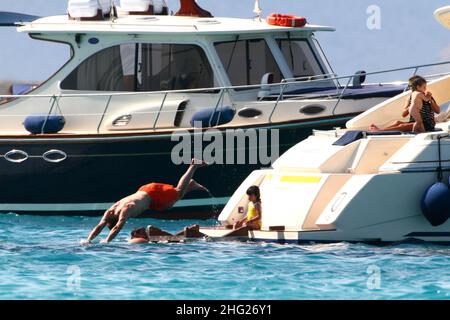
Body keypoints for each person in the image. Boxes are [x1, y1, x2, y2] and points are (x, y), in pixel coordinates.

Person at [83, 159, 209, 244]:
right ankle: (191, 185)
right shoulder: (111, 210)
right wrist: (88, 240)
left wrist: (106, 241)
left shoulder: (125, 210)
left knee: (179, 192)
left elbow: (117, 227)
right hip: (145, 192)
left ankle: (193, 166)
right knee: (167, 206)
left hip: (152, 193)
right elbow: (99, 226)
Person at [370, 75, 440, 133]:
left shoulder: (427, 96)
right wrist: (413, 105)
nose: (425, 89)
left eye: (425, 87)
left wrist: (430, 100)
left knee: (402, 126)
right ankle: (381, 131)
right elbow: (403, 114)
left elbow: (438, 111)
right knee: (397, 122)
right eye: (424, 87)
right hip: (414, 121)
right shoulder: (410, 97)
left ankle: (380, 131)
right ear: (417, 87)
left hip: (427, 124)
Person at [129, 225, 205, 244]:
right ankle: (188, 232)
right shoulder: (136, 240)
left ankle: (188, 232)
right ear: (136, 234)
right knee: (151, 229)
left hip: (163, 242)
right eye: (143, 232)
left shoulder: (136, 240)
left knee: (150, 229)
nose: (145, 233)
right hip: (166, 242)